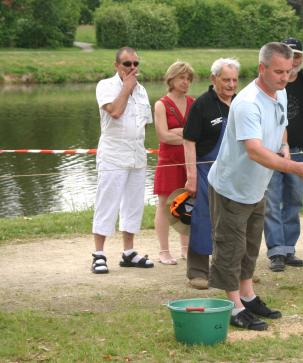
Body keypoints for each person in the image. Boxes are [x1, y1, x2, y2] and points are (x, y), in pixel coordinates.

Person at [207, 42, 303, 330]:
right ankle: (233, 308)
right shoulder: (247, 103)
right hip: (232, 187)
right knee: (230, 247)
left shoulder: (280, 92)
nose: (285, 77)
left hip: (257, 185)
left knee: (250, 245)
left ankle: (248, 296)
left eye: (288, 70)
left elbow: (281, 124)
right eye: (278, 71)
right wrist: (295, 166)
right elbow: (255, 151)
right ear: (262, 68)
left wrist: (284, 146)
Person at [263, 37, 303, 272]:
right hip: (271, 152)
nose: (294, 59)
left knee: (295, 201)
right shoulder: (270, 83)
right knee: (271, 201)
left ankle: (289, 248)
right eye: (289, 54)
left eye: (297, 54)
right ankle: (276, 251)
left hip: (300, 151)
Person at [91, 47, 154, 274]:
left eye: (136, 64)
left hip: (137, 155)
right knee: (107, 203)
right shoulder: (105, 86)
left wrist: (133, 89)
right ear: (117, 65)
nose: (133, 68)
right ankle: (99, 253)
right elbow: (115, 112)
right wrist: (126, 88)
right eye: (128, 64)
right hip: (113, 155)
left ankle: (129, 252)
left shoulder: (143, 90)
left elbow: (144, 124)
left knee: (133, 204)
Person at [182, 58, 240, 289]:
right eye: (226, 80)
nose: (231, 85)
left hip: (235, 171)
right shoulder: (202, 105)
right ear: (213, 79)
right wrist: (191, 176)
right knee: (203, 219)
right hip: (206, 170)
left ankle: (233, 271)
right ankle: (197, 272)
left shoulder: (241, 103)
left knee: (235, 221)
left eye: (234, 80)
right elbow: (188, 141)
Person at [153, 61, 195, 265]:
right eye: (181, 78)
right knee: (163, 205)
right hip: (168, 161)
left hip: (189, 161)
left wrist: (179, 134)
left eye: (188, 79)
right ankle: (163, 251)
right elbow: (163, 136)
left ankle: (186, 248)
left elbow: (197, 136)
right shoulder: (161, 104)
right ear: (171, 78)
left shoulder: (193, 103)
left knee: (187, 203)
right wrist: (185, 136)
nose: (185, 82)